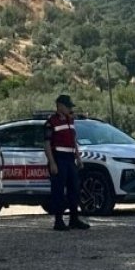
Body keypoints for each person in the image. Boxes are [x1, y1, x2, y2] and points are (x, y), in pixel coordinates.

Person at [45, 94, 90, 231]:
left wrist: (78, 157)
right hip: (59, 159)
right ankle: (58, 221)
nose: (70, 109)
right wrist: (52, 163)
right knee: (58, 191)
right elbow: (46, 144)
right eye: (68, 106)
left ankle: (74, 219)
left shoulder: (70, 121)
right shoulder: (51, 122)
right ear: (60, 106)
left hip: (70, 159)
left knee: (74, 190)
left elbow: (73, 141)